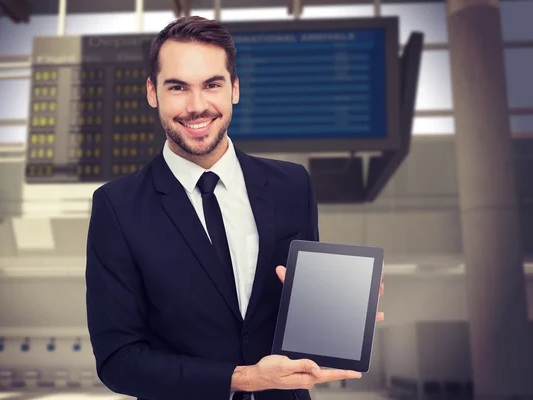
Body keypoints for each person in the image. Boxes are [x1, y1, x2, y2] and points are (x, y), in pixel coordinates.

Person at [85, 15, 384, 400]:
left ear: (235, 89)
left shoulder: (291, 186)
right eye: (177, 87)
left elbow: (296, 315)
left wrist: (340, 319)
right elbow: (118, 360)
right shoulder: (118, 207)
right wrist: (241, 378)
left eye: (212, 84)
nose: (197, 106)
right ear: (152, 92)